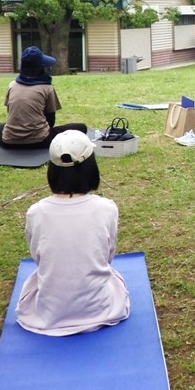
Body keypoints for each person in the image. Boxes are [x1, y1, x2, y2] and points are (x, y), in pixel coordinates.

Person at [15, 130, 130, 336]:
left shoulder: (36, 212)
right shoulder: (106, 208)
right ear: (90, 166)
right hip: (100, 310)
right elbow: (107, 256)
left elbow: (38, 257)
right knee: (114, 280)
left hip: (49, 313)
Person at [0, 46, 87, 148]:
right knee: (81, 127)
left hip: (10, 140)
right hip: (40, 140)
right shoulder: (47, 88)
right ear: (41, 67)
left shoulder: (12, 85)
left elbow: (10, 111)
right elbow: (51, 120)